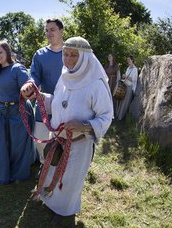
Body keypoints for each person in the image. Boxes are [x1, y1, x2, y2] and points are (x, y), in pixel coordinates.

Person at [21, 36, 113, 226]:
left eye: (74, 55)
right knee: (52, 171)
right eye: (66, 54)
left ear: (85, 58)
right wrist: (38, 96)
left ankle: (65, 213)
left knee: (69, 180)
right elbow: (57, 102)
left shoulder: (96, 84)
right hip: (57, 139)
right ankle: (50, 202)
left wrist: (84, 126)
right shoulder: (64, 77)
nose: (69, 59)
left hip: (79, 143)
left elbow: (106, 116)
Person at [0, 41, 35, 184]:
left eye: (0, 52)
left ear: (7, 52)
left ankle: (19, 174)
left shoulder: (17, 69)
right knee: (4, 145)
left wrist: (28, 87)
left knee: (18, 145)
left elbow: (28, 84)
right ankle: (5, 172)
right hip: (2, 114)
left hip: (19, 112)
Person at [22, 18, 64, 164]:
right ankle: (44, 166)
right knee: (40, 140)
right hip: (44, 105)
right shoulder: (40, 54)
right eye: (46, 30)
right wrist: (30, 85)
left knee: (63, 141)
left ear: (61, 31)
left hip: (66, 105)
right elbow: (34, 76)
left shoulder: (71, 52)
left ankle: (61, 171)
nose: (48, 33)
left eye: (52, 29)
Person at [116, 55, 138, 120]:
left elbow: (134, 79)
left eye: (129, 60)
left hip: (130, 88)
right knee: (121, 101)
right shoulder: (128, 68)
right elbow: (126, 77)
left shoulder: (135, 69)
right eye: (127, 60)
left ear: (132, 60)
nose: (128, 61)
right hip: (125, 85)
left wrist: (126, 77)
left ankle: (121, 118)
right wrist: (123, 77)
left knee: (125, 103)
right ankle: (118, 115)